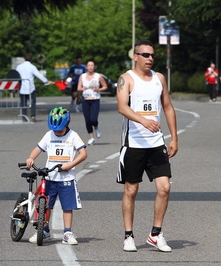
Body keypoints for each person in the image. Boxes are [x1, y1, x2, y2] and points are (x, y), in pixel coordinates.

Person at [116, 39, 178, 252]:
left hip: (156, 143)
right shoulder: (126, 79)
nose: (150, 58)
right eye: (145, 55)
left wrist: (174, 138)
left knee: (165, 187)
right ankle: (128, 236)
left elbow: (168, 107)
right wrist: (144, 121)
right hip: (133, 144)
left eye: (152, 55)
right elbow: (122, 107)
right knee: (131, 190)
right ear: (135, 56)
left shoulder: (159, 78)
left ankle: (156, 233)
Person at [25, 107, 87, 245]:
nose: (57, 132)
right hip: (50, 177)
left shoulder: (73, 136)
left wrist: (69, 165)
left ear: (66, 125)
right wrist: (31, 157)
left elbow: (83, 154)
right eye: (55, 130)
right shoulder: (49, 135)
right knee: (45, 206)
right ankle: (44, 230)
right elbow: (38, 149)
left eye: (60, 129)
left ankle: (67, 233)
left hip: (66, 178)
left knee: (67, 206)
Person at [77, 59, 108, 145]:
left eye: (92, 65)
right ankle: (91, 138)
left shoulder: (98, 76)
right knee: (87, 120)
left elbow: (105, 86)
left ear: (94, 67)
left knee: (93, 119)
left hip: (95, 100)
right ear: (86, 67)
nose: (90, 67)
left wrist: (99, 89)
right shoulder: (82, 76)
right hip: (85, 100)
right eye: (89, 65)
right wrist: (82, 88)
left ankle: (96, 126)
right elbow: (78, 88)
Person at [16, 54, 54, 122]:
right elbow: (39, 75)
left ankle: (23, 116)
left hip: (22, 88)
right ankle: (33, 116)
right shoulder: (32, 67)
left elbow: (15, 76)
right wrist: (46, 81)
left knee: (23, 103)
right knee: (33, 102)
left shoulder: (19, 67)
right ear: (31, 59)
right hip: (30, 88)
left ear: (24, 59)